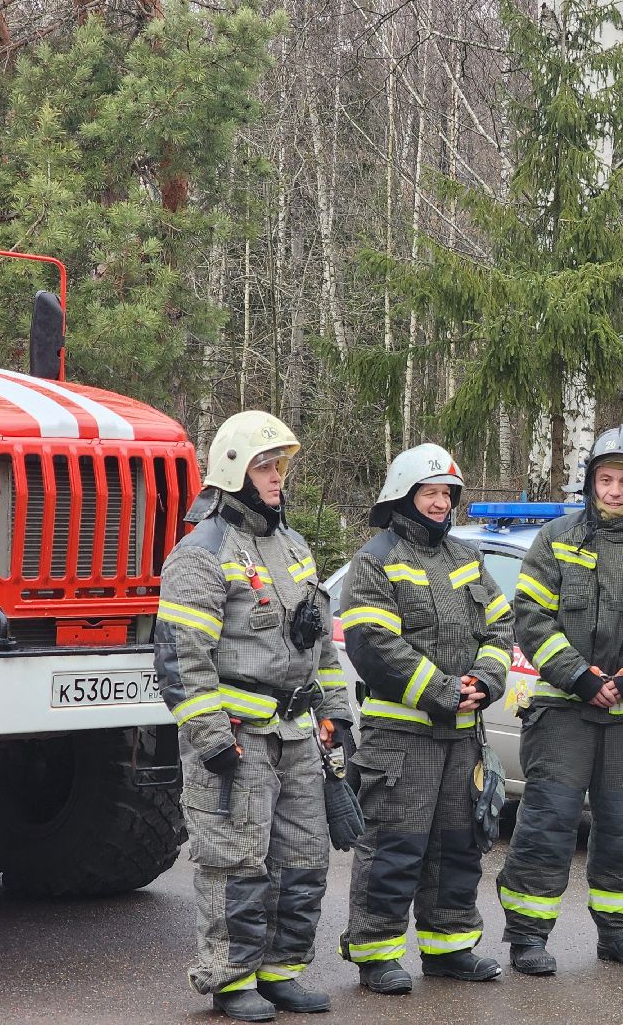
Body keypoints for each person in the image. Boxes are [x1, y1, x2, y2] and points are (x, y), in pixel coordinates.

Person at [154, 410, 351, 1022]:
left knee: (303, 856)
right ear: (234, 470)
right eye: (265, 466)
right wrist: (211, 738)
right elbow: (182, 658)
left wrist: (337, 714)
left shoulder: (291, 545)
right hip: (237, 740)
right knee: (235, 859)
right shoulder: (201, 554)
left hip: (296, 734)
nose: (276, 478)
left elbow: (320, 643)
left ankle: (281, 972)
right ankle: (231, 979)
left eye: (280, 467)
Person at [496, 426, 623, 974]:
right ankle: (527, 937)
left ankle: (618, 931)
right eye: (606, 479)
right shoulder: (556, 539)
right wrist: (580, 678)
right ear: (590, 481)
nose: (615, 490)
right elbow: (531, 618)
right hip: (564, 710)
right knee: (548, 823)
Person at [337, 444, 514, 994]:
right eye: (430, 493)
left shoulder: (466, 558)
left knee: (458, 846)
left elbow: (500, 629)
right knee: (394, 846)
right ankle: (376, 955)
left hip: (462, 734)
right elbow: (373, 646)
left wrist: (484, 681)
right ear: (403, 495)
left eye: (447, 494)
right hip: (401, 737)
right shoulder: (374, 560)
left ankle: (450, 947)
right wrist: (441, 691)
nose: (440, 503)